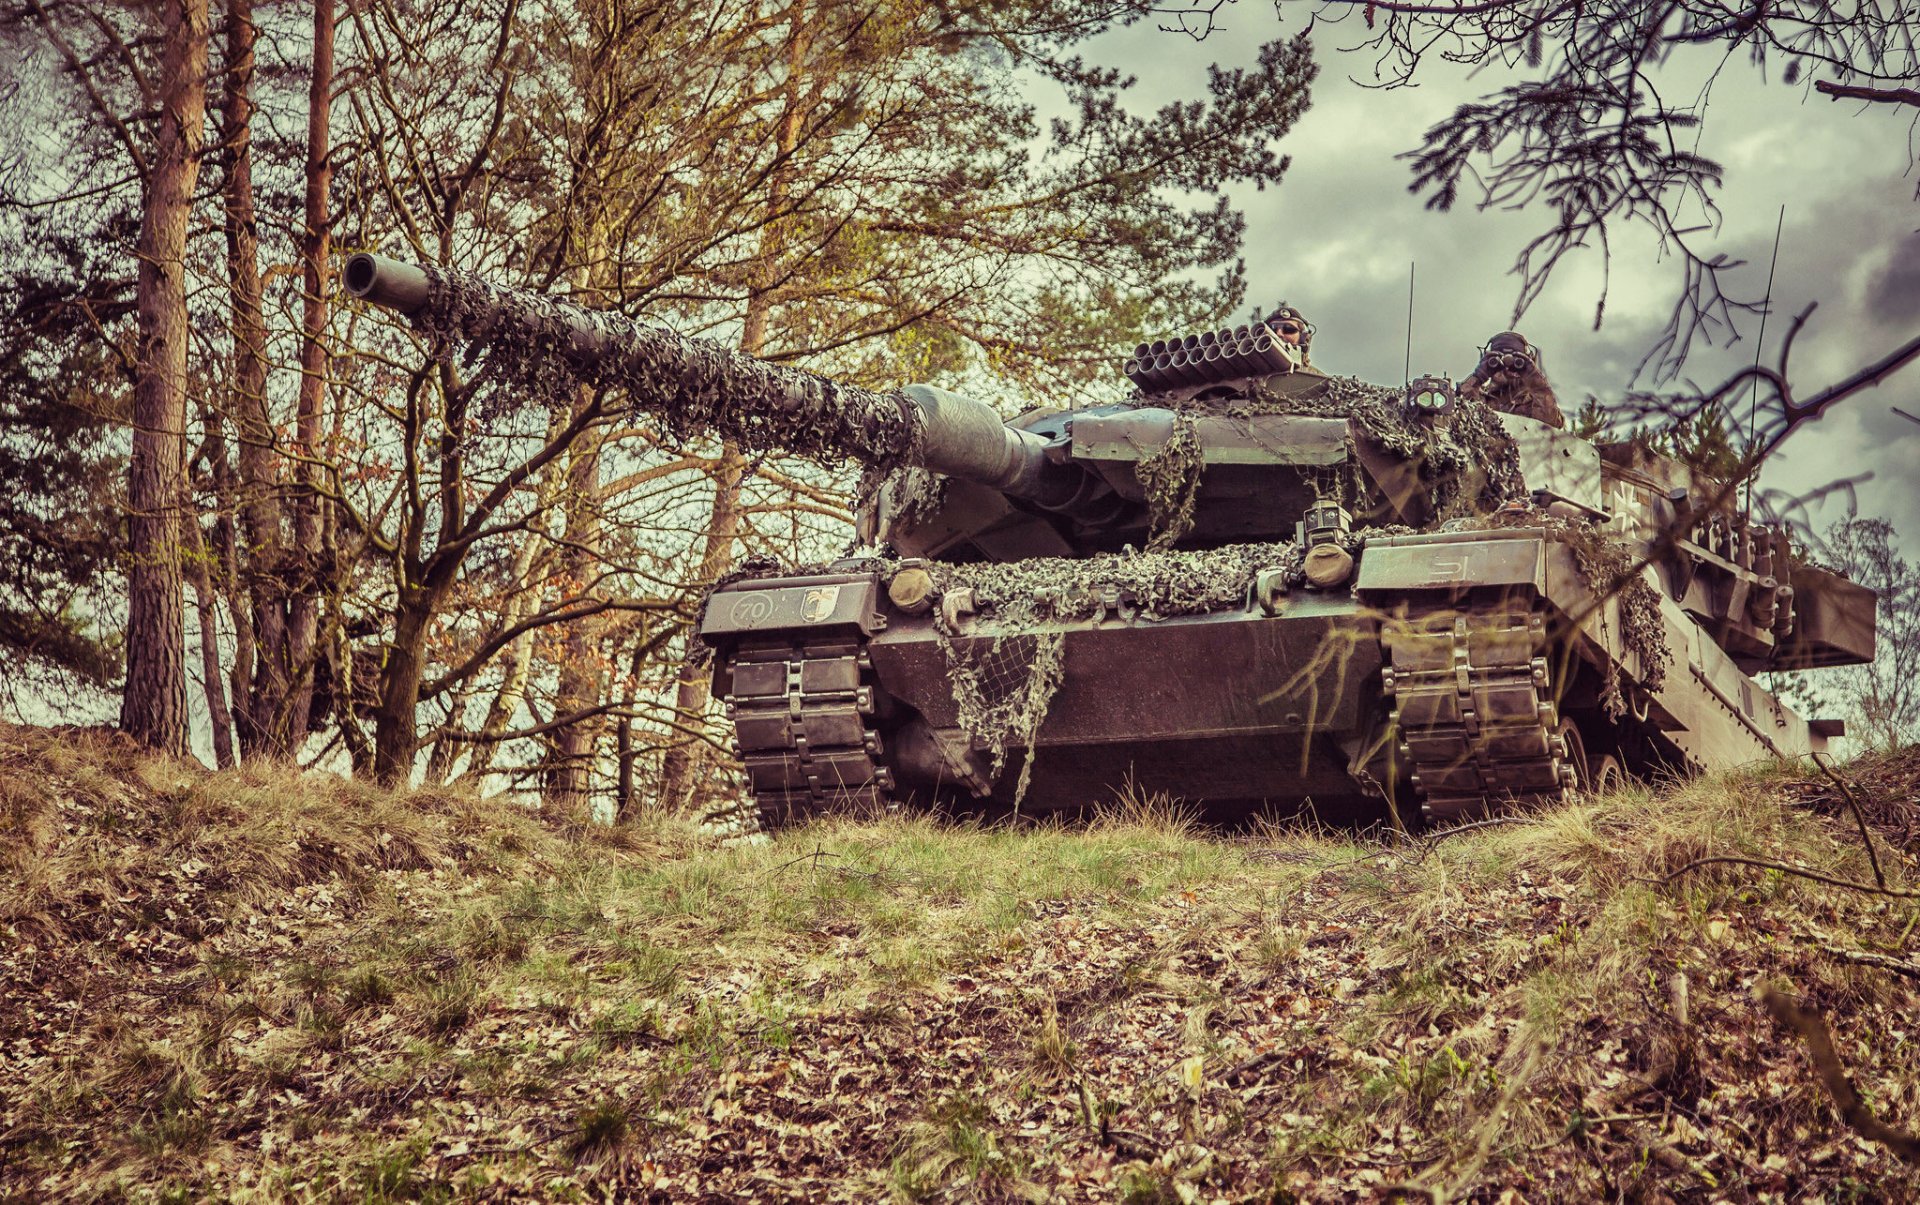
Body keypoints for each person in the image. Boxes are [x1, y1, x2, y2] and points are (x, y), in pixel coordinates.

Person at [1460, 331, 1565, 429]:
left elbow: (1552, 424)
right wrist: (1478, 377)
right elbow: (1456, 410)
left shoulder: (1535, 403)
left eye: (1516, 362)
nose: (1506, 367)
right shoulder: (1479, 400)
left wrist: (1533, 377)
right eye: (1497, 361)